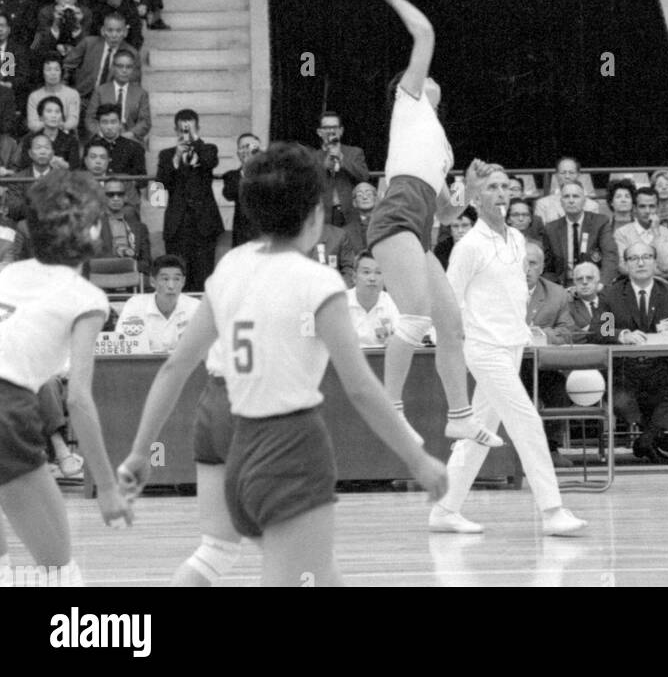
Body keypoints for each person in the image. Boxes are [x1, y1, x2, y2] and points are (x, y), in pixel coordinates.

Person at [118, 143, 446, 587]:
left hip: (221, 419)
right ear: (315, 213)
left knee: (225, 554)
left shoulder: (229, 266)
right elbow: (362, 389)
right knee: (300, 575)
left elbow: (176, 366)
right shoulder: (318, 281)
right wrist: (419, 460)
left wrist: (140, 452)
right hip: (287, 439)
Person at [365, 0, 502, 447]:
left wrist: (470, 185)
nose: (430, 81)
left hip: (420, 225)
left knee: (451, 324)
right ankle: (390, 410)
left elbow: (447, 216)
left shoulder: (440, 142)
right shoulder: (408, 102)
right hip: (395, 215)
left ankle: (459, 415)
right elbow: (424, 34)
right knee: (417, 316)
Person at [429, 161, 586, 536]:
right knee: (527, 422)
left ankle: (445, 508)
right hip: (483, 349)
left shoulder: (517, 240)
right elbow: (449, 300)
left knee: (480, 430)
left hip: (513, 345)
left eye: (505, 187)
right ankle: (552, 510)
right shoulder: (467, 247)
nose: (501, 194)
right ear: (477, 197)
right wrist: (453, 344)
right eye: (493, 188)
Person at [0, 171, 132, 588]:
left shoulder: (9, 275)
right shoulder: (86, 298)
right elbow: (77, 399)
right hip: (5, 411)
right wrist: (108, 488)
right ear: (93, 231)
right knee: (60, 575)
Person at [584, 240, 668, 463]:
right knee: (620, 401)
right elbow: (600, 330)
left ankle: (645, 440)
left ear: (655, 262)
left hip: (664, 371)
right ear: (626, 264)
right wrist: (622, 335)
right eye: (633, 258)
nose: (640, 263)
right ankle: (655, 435)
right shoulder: (611, 296)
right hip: (626, 372)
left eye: (646, 257)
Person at [155, 110, 223, 292]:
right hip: (178, 226)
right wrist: (176, 157)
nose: (185, 134)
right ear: (175, 131)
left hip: (204, 225)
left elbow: (210, 162)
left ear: (198, 129)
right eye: (181, 130)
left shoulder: (208, 149)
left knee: (204, 278)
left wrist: (195, 140)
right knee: (177, 276)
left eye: (190, 129)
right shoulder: (166, 155)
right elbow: (159, 187)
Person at [114, 254, 198, 351]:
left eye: (176, 279)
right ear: (153, 281)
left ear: (183, 281)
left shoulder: (195, 307)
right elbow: (121, 344)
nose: (171, 286)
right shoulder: (135, 305)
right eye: (165, 279)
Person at [347, 251, 400, 347]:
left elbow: (403, 336)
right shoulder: (339, 303)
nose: (372, 278)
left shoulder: (393, 303)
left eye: (378, 272)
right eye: (366, 272)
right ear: (354, 277)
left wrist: (396, 341)